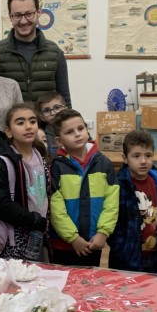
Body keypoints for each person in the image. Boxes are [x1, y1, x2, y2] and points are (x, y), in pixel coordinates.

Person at [48, 109, 119, 268]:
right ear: (59, 141)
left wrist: (103, 232)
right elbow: (55, 208)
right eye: (69, 132)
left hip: (93, 242)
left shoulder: (104, 164)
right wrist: (72, 238)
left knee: (89, 280)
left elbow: (112, 203)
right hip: (64, 244)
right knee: (65, 281)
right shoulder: (57, 167)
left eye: (80, 128)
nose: (77, 134)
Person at [108, 130, 157, 276]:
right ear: (125, 158)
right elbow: (113, 223)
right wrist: (121, 249)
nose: (143, 161)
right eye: (136, 156)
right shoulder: (119, 186)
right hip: (128, 258)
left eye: (148, 155)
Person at [0, 103, 51, 262]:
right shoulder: (4, 162)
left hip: (39, 232)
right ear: (8, 131)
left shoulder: (41, 156)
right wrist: (33, 220)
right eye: (20, 123)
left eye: (32, 121)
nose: (28, 126)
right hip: (15, 238)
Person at [0, 0, 71, 106]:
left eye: (29, 14)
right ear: (10, 17)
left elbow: (65, 99)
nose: (23, 21)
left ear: (38, 13)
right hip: (12, 118)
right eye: (17, 15)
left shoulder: (55, 52)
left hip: (46, 118)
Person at [36, 90, 67, 158]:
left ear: (65, 109)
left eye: (57, 108)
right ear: (42, 117)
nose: (53, 113)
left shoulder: (76, 128)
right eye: (47, 110)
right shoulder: (43, 137)